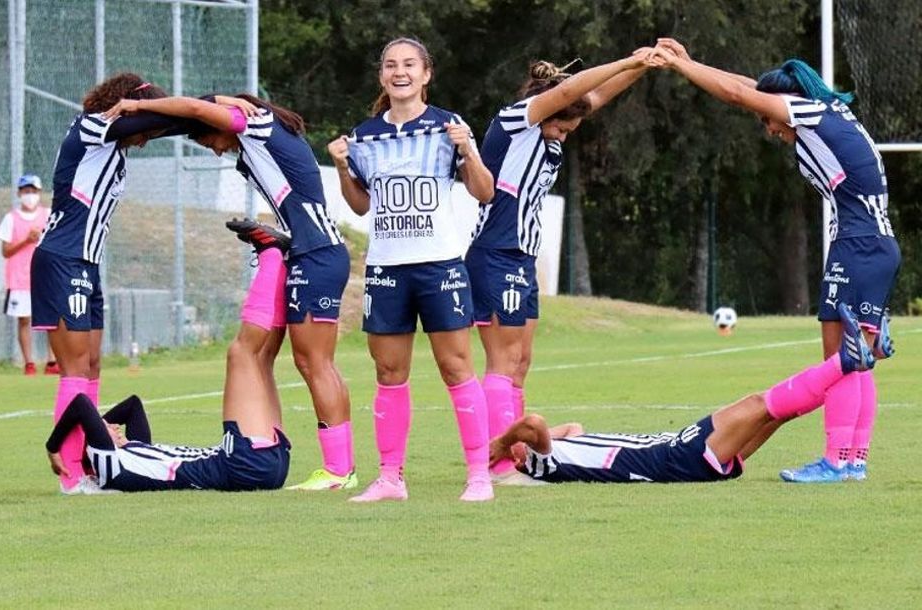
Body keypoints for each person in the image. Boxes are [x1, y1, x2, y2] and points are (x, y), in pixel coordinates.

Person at [649, 39, 899, 483]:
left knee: (840, 356)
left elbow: (738, 95)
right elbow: (750, 90)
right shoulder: (829, 112)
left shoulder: (811, 114)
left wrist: (680, 70)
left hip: (857, 246)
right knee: (856, 357)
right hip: (877, 247)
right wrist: (692, 60)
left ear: (787, 103)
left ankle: (837, 461)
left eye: (769, 119)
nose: (768, 128)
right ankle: (852, 460)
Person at [101, 93, 356, 491]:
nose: (214, 150)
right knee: (282, 357)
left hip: (318, 254)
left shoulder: (255, 125)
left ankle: (340, 471)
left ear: (224, 122)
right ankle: (337, 468)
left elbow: (198, 111)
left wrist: (137, 108)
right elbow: (201, 111)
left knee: (314, 363)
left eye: (208, 142)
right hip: (309, 253)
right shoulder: (254, 135)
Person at [32, 72, 252, 493]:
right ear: (128, 104)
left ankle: (92, 465)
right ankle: (72, 478)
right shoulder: (93, 125)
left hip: (86, 262)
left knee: (93, 365)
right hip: (61, 258)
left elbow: (173, 122)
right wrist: (211, 102)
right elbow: (160, 120)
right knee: (75, 368)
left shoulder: (114, 143)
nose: (147, 139)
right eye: (144, 125)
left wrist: (217, 106)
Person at [468, 52, 652, 485]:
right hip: (495, 252)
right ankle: (495, 463)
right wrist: (624, 58)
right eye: (562, 127)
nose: (565, 136)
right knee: (502, 359)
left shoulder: (552, 127)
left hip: (522, 256)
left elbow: (593, 96)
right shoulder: (518, 120)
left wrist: (642, 66)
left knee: (522, 361)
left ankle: (517, 455)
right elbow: (570, 92)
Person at [327, 37, 498, 502]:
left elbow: (484, 193)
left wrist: (470, 151)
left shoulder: (449, 127)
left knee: (455, 366)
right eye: (390, 65)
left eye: (409, 65)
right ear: (382, 76)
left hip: (439, 264)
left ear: (426, 74)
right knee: (388, 371)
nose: (399, 72)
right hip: (386, 268)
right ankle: (389, 479)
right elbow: (361, 206)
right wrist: (342, 168)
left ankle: (479, 477)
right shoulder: (364, 137)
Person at [489, 303, 882, 484]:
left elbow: (570, 427)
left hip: (675, 450)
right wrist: (504, 444)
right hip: (674, 456)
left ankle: (856, 364)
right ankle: (846, 363)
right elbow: (533, 424)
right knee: (758, 403)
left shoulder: (558, 448)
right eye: (519, 454)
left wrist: (518, 444)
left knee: (778, 412)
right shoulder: (543, 464)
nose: (522, 449)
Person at [44, 222, 292, 493]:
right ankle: (271, 255)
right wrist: (54, 445)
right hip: (242, 465)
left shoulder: (134, 453)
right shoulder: (109, 465)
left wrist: (102, 426)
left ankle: (279, 264)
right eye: (106, 429)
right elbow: (81, 405)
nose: (113, 426)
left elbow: (133, 406)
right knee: (242, 353)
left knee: (262, 358)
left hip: (264, 465)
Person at [0, 174, 55, 376]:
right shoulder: (10, 218)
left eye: (33, 191)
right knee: (24, 320)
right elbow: (6, 251)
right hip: (20, 279)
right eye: (26, 191)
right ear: (20, 193)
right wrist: (26, 240)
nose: (30, 195)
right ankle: (29, 362)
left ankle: (52, 361)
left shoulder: (48, 215)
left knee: (51, 321)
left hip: (45, 277)